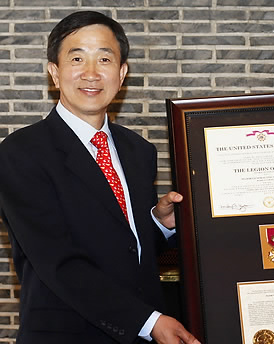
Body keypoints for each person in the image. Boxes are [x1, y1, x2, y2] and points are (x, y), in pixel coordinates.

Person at [0, 11, 199, 344]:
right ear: (54, 71)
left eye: (104, 59)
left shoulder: (138, 151)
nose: (91, 73)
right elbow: (59, 263)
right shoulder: (20, 153)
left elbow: (122, 246)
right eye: (77, 58)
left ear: (121, 74)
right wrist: (150, 322)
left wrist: (160, 223)